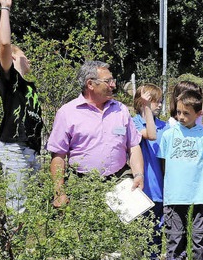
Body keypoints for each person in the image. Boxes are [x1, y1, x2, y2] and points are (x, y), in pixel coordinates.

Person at [46, 61, 144, 207]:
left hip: (120, 181)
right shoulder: (67, 113)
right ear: (90, 84)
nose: (113, 85)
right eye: (108, 81)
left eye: (113, 80)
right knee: (86, 229)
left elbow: (134, 146)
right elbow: (58, 156)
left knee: (124, 228)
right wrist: (59, 192)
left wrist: (138, 175)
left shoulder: (121, 110)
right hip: (83, 185)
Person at [158, 88, 203, 260]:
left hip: (200, 196)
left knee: (198, 240)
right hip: (175, 196)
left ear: (198, 114)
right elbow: (164, 165)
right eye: (179, 112)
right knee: (175, 239)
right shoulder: (168, 135)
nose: (181, 116)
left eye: (186, 113)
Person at [0, 0, 43, 213]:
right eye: (24, 54)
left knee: (32, 209)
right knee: (18, 209)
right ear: (13, 57)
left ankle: (20, 248)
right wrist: (5, 8)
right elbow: (4, 43)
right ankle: (10, 249)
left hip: (31, 150)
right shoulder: (10, 81)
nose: (28, 59)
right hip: (14, 148)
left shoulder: (29, 87)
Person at [132, 84, 166, 260]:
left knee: (156, 232)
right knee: (140, 231)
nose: (159, 105)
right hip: (143, 189)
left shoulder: (166, 126)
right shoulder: (134, 123)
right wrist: (146, 109)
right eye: (155, 101)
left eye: (161, 101)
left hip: (161, 189)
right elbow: (150, 135)